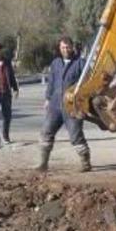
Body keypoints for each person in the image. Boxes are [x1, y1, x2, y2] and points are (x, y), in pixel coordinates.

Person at [36, 36, 91, 172]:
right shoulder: (56, 63)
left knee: (76, 135)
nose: (65, 50)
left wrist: (82, 98)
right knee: (46, 132)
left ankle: (85, 163)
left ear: (72, 47)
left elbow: (88, 83)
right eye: (63, 47)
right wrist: (48, 99)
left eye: (67, 47)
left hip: (72, 106)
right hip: (55, 105)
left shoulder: (81, 63)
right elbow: (51, 82)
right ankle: (43, 163)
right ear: (59, 48)